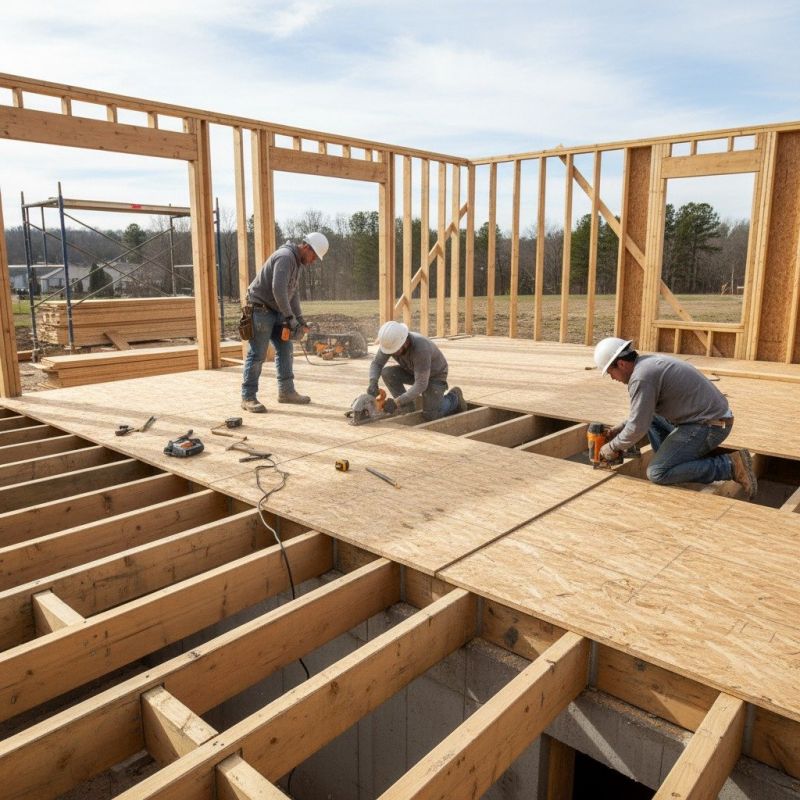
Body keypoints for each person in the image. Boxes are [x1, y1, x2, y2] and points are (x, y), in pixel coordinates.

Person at [594, 336, 757, 499]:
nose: (613, 378)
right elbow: (643, 415)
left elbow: (637, 427)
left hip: (710, 426)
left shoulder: (641, 378)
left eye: (611, 373)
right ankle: (674, 463)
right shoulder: (646, 364)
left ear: (621, 364)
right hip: (705, 419)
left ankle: (730, 466)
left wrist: (613, 447)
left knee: (657, 473)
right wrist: (621, 428)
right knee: (651, 420)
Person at [240, 232, 329, 413]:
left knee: (286, 350)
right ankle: (248, 397)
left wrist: (300, 319)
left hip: (276, 309)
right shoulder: (285, 257)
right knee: (257, 354)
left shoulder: (297, 264)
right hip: (261, 309)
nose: (313, 261)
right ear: (306, 247)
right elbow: (278, 290)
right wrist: (290, 319)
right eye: (313, 256)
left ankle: (286, 392)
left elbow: (292, 293)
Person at [367, 321, 467, 421]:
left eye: (395, 350)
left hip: (435, 376)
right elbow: (377, 363)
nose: (392, 353)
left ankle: (454, 398)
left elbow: (421, 384)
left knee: (431, 415)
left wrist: (396, 402)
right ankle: (408, 407)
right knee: (387, 373)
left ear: (405, 342)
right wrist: (373, 381)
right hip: (414, 371)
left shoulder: (421, 349)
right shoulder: (391, 342)